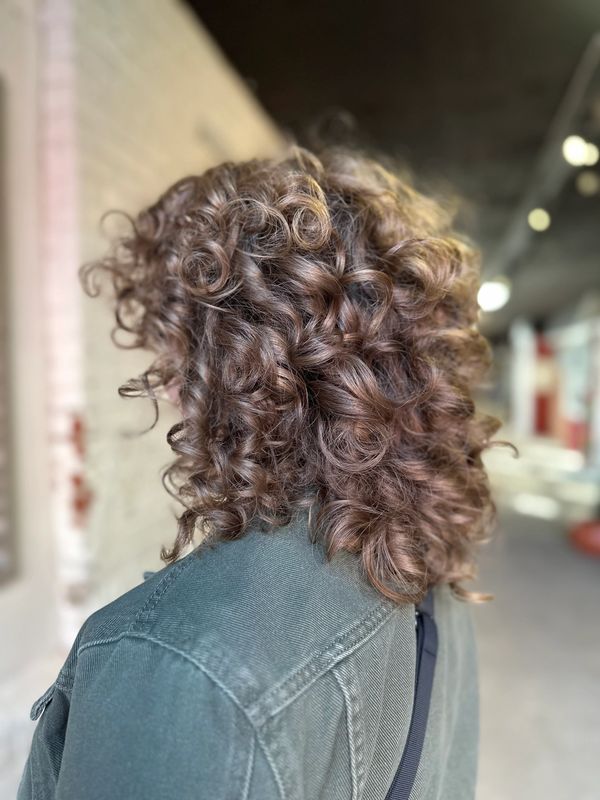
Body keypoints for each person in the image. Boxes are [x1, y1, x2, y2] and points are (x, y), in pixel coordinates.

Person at [17, 145, 503, 799]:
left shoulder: (181, 662)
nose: (166, 386)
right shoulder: (425, 555)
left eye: (175, 347)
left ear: (224, 367)